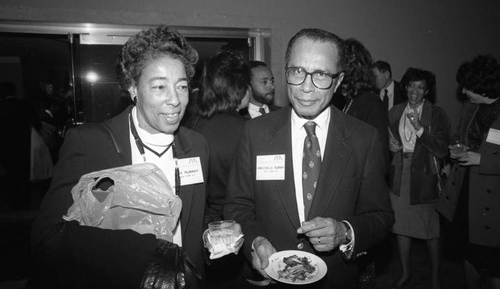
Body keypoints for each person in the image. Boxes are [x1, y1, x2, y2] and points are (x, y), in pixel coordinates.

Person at [30, 25, 210, 289]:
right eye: (160, 87)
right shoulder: (91, 144)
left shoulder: (197, 145)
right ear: (132, 88)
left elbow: (193, 220)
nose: (175, 100)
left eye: (182, 86)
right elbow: (47, 237)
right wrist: (147, 254)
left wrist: (212, 237)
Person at [224, 28, 394, 289]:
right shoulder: (254, 133)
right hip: (272, 279)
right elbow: (237, 206)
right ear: (286, 73)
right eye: (297, 71)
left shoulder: (363, 138)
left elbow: (381, 216)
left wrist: (345, 231)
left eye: (321, 75)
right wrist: (255, 242)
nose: (305, 86)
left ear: (338, 82)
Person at [439, 54, 500, 289]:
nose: (463, 92)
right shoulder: (470, 108)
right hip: (465, 194)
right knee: (467, 249)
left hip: (493, 200)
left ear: (483, 88)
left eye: (468, 87)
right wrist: (458, 149)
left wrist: (481, 160)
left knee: (492, 260)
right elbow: (459, 137)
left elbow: (484, 155)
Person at [191, 49, 251, 288]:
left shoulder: (192, 129)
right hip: (237, 233)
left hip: (200, 234)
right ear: (238, 88)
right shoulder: (248, 131)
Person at [388, 67, 451, 289]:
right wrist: (391, 145)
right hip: (400, 174)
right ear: (405, 87)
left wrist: (420, 129)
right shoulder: (395, 111)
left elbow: (443, 150)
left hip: (425, 177)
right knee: (400, 227)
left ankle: (435, 277)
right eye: (412, 85)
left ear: (427, 92)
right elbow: (390, 139)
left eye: (421, 87)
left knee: (430, 230)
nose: (415, 91)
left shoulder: (437, 114)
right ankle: (406, 272)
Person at [340, 38, 391, 289]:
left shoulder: (370, 103)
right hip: (351, 197)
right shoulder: (351, 100)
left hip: (363, 199)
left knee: (363, 273)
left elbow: (379, 158)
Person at [0, 82, 40, 210]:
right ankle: (24, 202)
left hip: (5, 148)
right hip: (24, 146)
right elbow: (37, 124)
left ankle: (13, 202)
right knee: (23, 175)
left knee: (9, 176)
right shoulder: (25, 106)